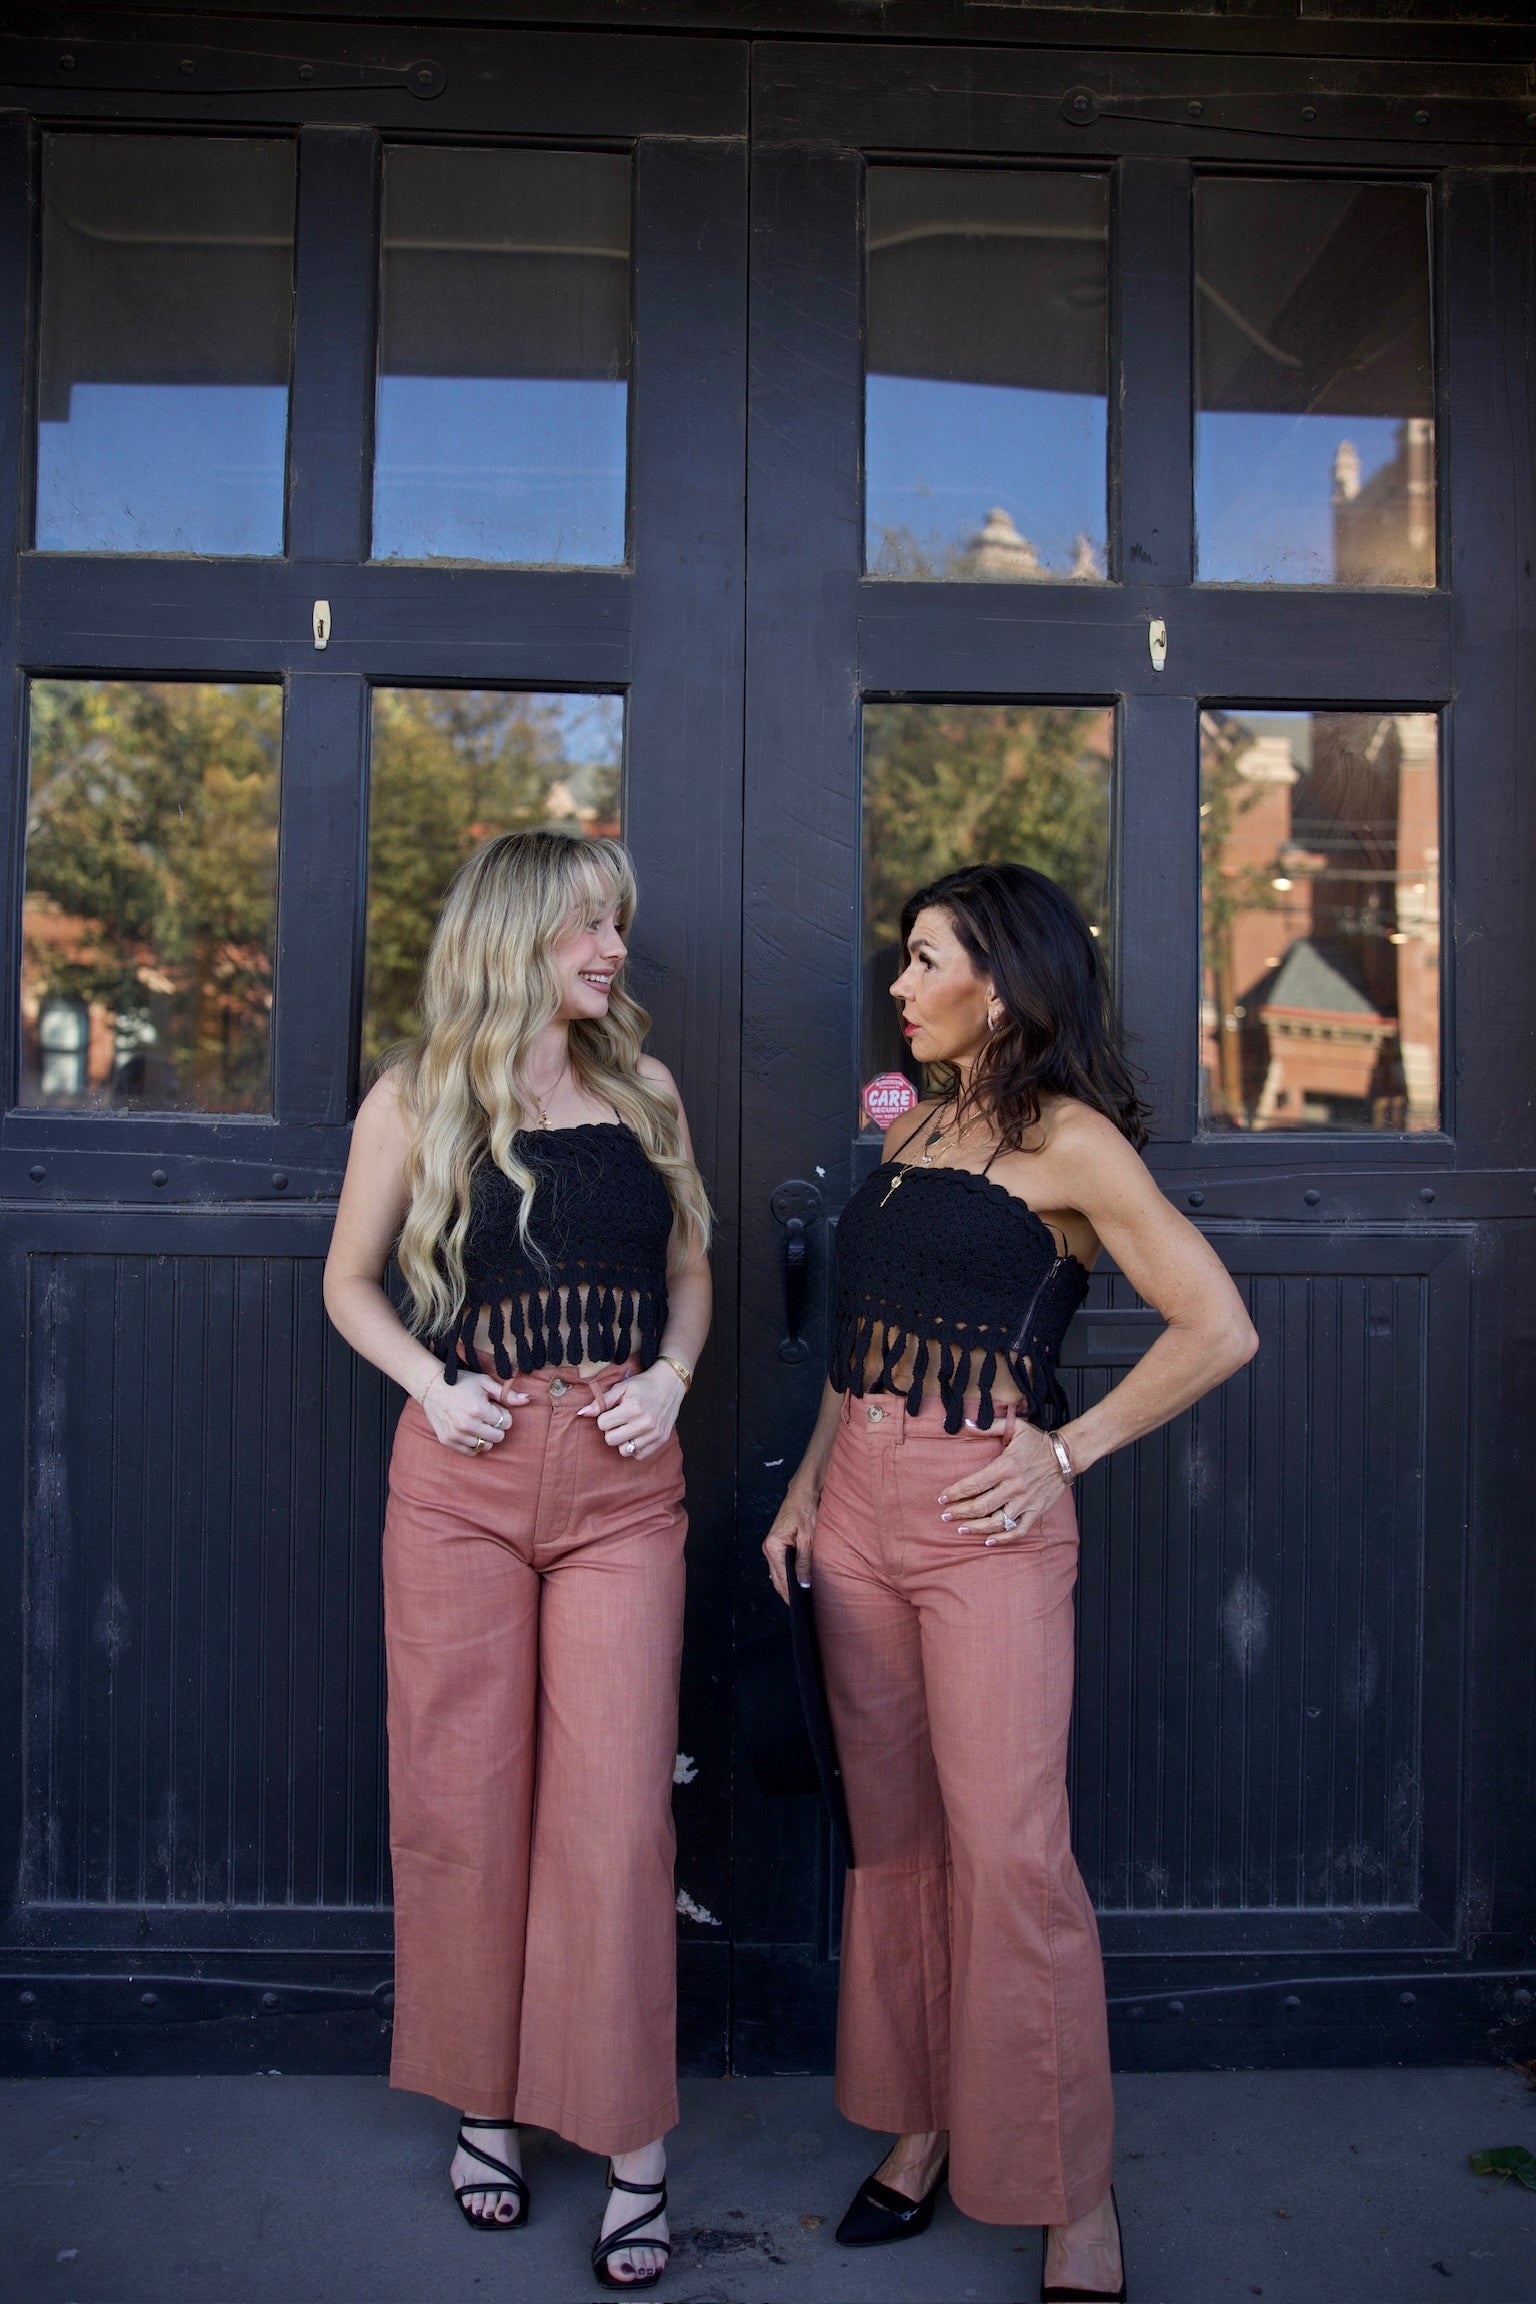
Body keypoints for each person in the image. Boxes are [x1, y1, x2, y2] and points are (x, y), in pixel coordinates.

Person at [763, 861, 1258, 2304]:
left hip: (986, 1525)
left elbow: (1216, 1326)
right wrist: (804, 1488)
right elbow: (862, 1333)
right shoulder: (913, 1126)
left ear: (1005, 982)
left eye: (925, 963)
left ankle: (1071, 2195)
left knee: (1014, 1860)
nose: (900, 989)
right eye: (902, 964)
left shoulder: (1073, 1142)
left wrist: (1068, 1451)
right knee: (898, 1848)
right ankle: (919, 2134)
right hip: (854, 1511)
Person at [325, 829, 711, 2292]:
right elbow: (347, 1282)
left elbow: (690, 1264)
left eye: (614, 924)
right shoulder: (419, 1097)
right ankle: (486, 2107)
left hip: (622, 1484)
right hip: (463, 1482)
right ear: (512, 940)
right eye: (580, 930)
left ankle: (632, 2142)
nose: (608, 951)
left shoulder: (642, 1089)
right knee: (463, 1804)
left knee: (615, 1819)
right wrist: (429, 1384)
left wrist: (674, 1373)